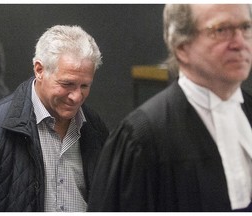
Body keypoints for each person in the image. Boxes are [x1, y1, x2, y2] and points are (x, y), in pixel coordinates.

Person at [88, 4, 252, 212]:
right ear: (182, 48)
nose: (239, 42)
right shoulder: (141, 137)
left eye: (246, 27)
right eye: (221, 30)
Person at [0, 25, 109, 212]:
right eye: (67, 84)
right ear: (39, 70)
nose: (76, 97)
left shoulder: (95, 129)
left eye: (84, 86)